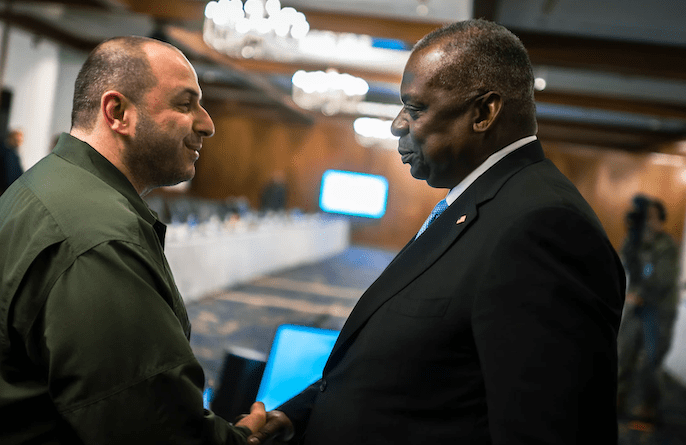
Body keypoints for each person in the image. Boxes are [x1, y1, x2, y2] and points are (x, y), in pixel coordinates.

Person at [249, 19, 625, 445]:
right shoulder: (480, 202)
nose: (396, 125)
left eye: (415, 109)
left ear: (483, 112)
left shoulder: (543, 228)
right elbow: (424, 368)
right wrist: (302, 415)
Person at [0, 36, 266, 444]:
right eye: (185, 104)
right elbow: (152, 427)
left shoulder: (50, 182)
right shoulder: (98, 236)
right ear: (117, 112)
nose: (207, 123)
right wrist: (244, 439)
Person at [617, 195, 679, 421]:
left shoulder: (667, 246)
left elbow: (662, 280)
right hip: (636, 308)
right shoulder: (632, 242)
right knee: (624, 353)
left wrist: (639, 295)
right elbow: (626, 269)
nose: (647, 222)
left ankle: (649, 410)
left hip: (659, 311)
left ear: (660, 220)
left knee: (651, 363)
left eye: (651, 217)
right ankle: (618, 401)